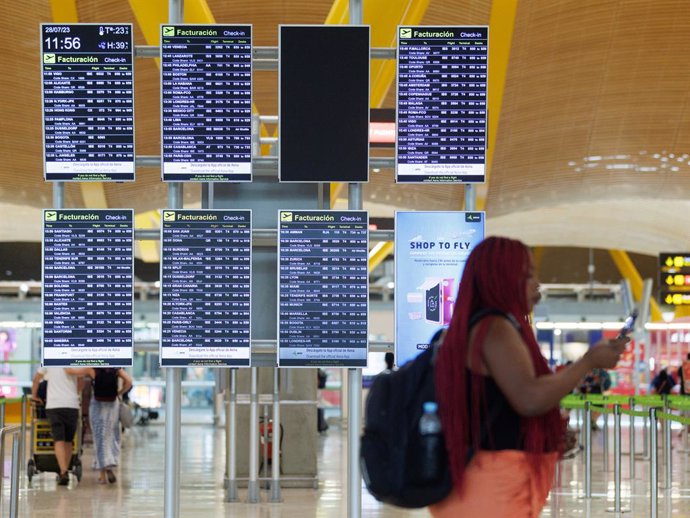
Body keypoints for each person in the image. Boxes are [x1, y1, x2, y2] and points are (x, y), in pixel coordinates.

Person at [430, 236, 628, 518]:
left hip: (483, 484)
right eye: (527, 275)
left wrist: (547, 435)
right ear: (502, 279)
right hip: (489, 491)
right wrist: (588, 362)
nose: (537, 284)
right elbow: (529, 398)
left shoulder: (481, 325)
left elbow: (504, 404)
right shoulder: (494, 329)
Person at [31, 367, 90, 486]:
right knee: (68, 440)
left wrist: (34, 396)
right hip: (71, 405)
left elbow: (36, 379)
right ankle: (64, 470)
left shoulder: (48, 362)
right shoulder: (74, 362)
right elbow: (81, 381)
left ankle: (63, 471)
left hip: (54, 405)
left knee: (59, 439)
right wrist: (74, 393)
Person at [85, 367, 132, 484]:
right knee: (111, 436)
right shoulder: (115, 368)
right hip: (112, 403)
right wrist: (119, 393)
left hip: (97, 404)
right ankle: (110, 464)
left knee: (99, 437)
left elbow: (72, 372)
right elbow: (129, 381)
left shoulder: (93, 369)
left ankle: (102, 473)